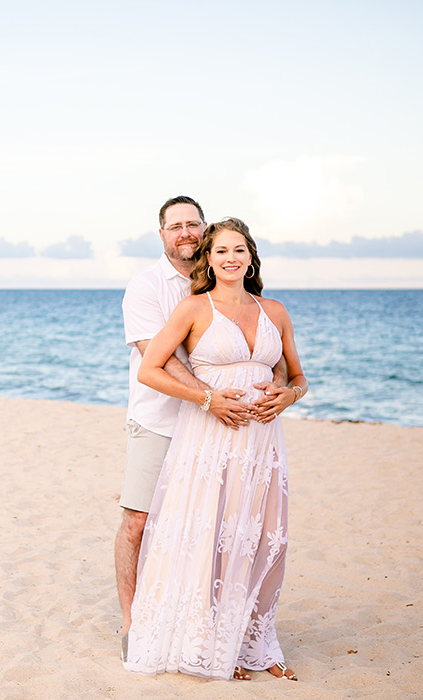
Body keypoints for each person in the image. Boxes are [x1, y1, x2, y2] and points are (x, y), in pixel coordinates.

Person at [122, 217, 308, 681]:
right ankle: (207, 643)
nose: (231, 258)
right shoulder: (192, 309)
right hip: (209, 437)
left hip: (262, 441)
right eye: (222, 251)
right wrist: (207, 400)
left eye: (239, 250)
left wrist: (288, 396)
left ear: (251, 257)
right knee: (211, 534)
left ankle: (252, 642)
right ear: (209, 258)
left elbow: (298, 376)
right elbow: (150, 370)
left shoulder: (276, 310)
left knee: (263, 536)